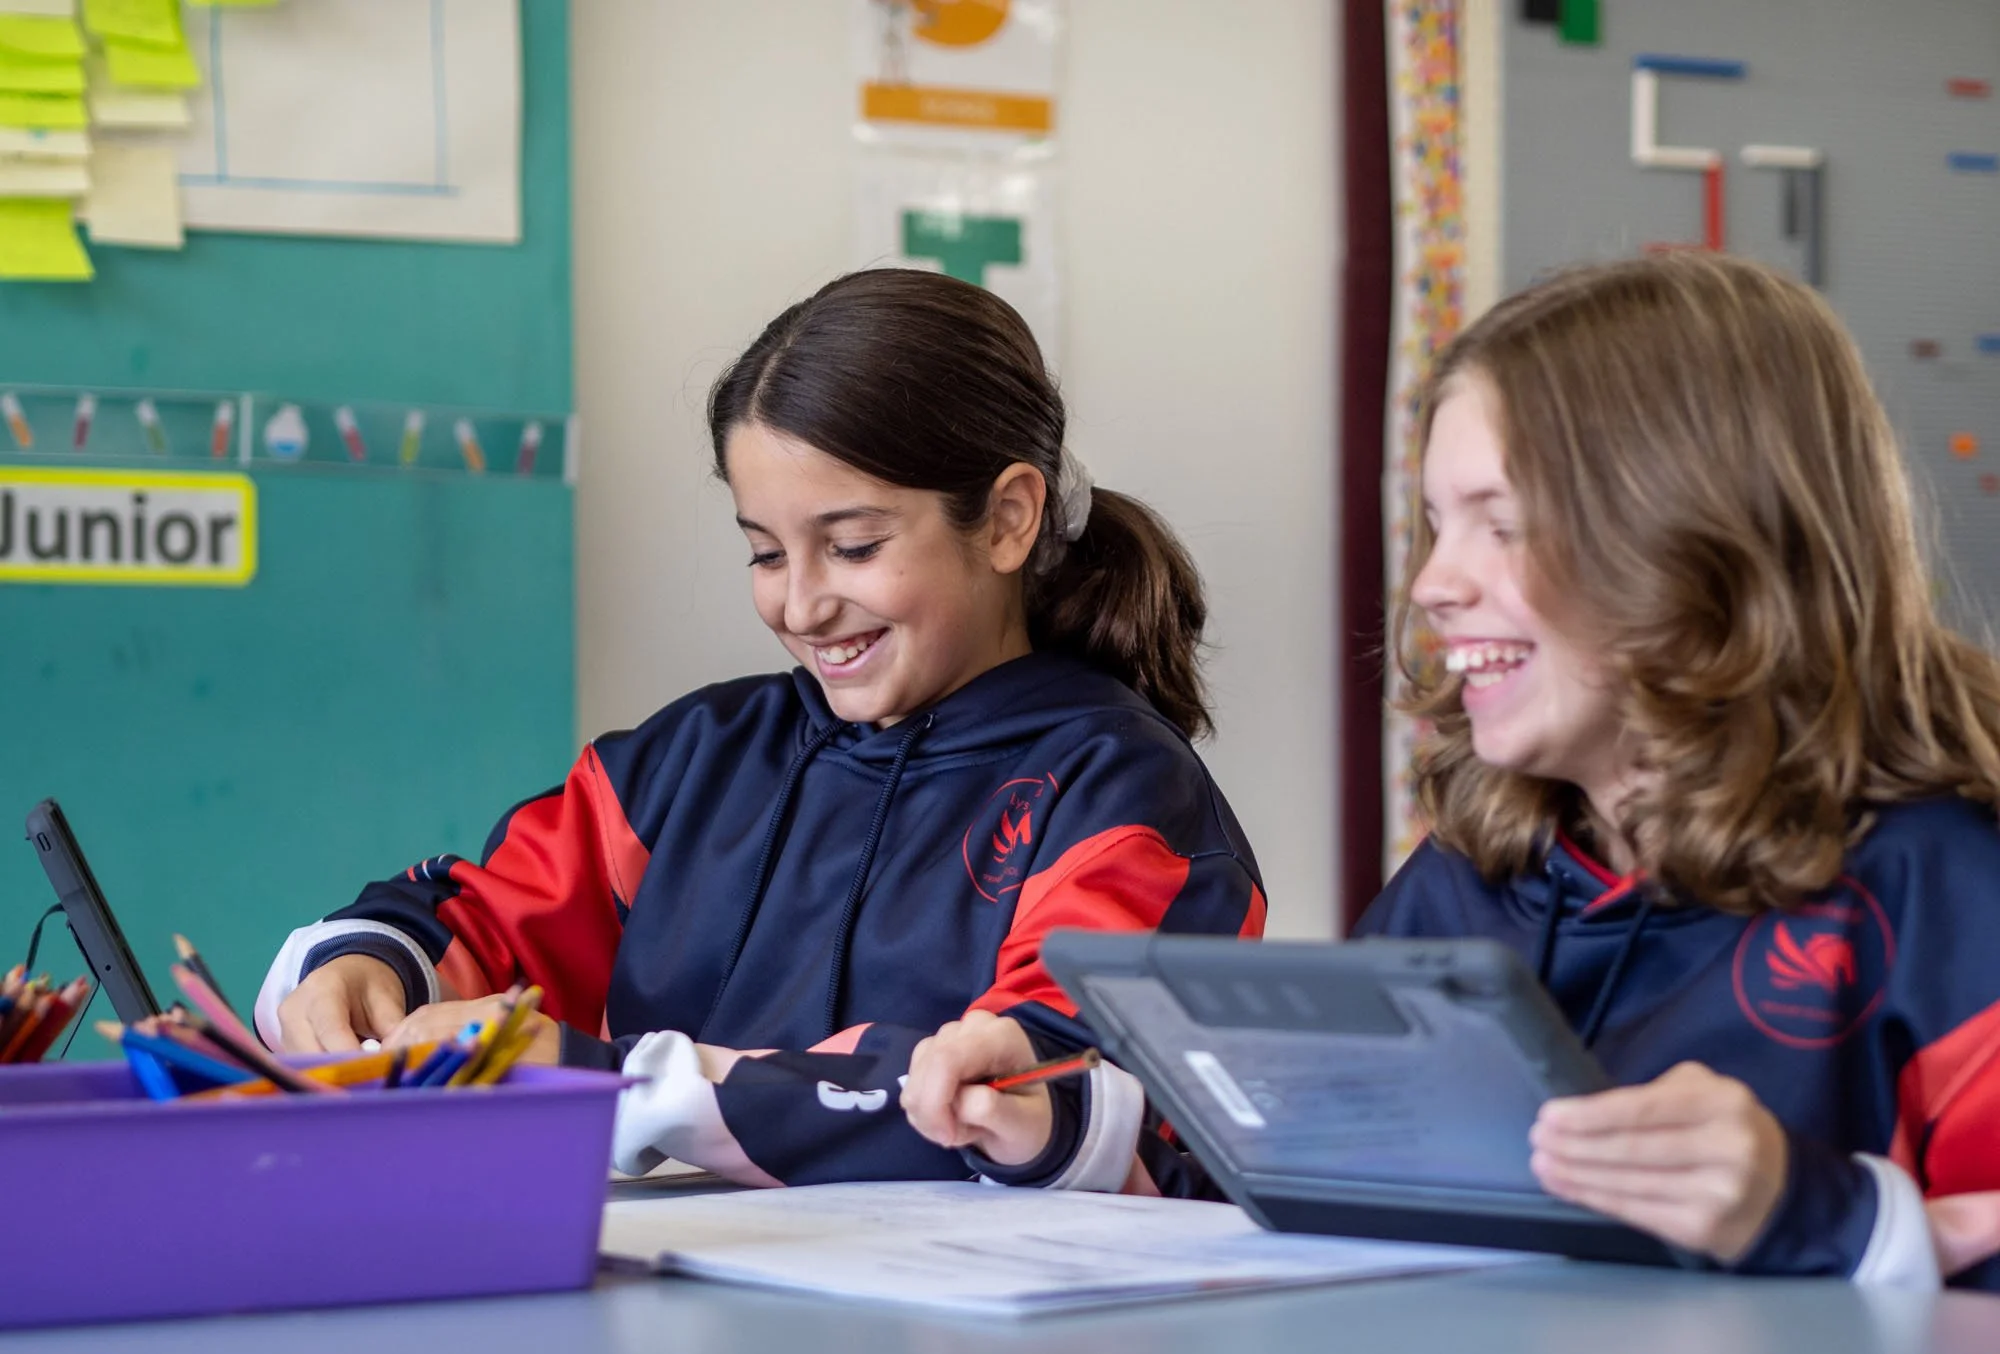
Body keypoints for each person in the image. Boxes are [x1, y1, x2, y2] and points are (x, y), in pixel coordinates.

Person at [903, 252, 2000, 1288]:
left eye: (1500, 524)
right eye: (1433, 525)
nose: (1430, 585)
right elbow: (1296, 1191)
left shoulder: (1945, 881)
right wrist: (1059, 1122)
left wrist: (1817, 1214)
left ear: (1704, 544)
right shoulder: (1481, 866)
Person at [251, 268, 1264, 1187]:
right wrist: (368, 970)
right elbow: (478, 917)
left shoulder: (1118, 793)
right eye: (765, 555)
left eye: (853, 546)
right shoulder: (689, 763)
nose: (803, 605)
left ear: (1005, 519)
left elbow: (1034, 1097)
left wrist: (623, 1084)